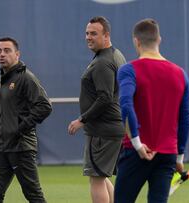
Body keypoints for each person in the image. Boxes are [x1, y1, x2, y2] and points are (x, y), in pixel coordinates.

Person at [114, 18, 189, 203]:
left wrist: (138, 144)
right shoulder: (180, 74)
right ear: (159, 40)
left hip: (135, 153)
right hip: (167, 155)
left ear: (136, 41)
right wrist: (179, 156)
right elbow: (185, 119)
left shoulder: (128, 70)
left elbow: (125, 105)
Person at [67, 16, 126, 203]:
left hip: (103, 131)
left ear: (106, 35)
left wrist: (81, 120)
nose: (88, 37)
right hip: (112, 128)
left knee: (96, 178)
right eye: (87, 33)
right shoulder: (115, 54)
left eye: (94, 33)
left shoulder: (102, 63)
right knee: (102, 176)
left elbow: (105, 98)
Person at [0, 37, 52, 203]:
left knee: (33, 195)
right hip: (3, 147)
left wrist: (20, 129)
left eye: (7, 50)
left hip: (21, 147)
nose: (2, 54)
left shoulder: (25, 78)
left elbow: (44, 106)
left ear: (17, 54)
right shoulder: (4, 79)